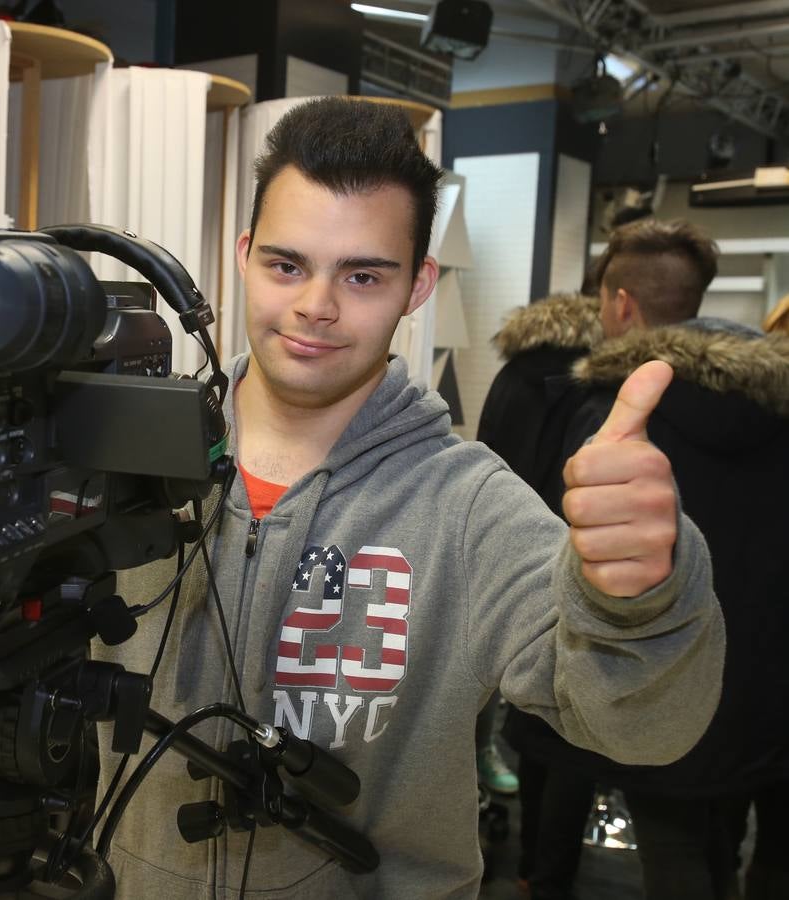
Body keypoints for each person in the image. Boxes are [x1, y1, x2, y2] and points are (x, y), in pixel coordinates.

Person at [89, 98, 725, 899]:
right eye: (288, 265)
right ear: (244, 255)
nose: (317, 305)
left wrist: (642, 596)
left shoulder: (468, 509)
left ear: (418, 285)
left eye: (362, 275)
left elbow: (644, 728)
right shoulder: (124, 465)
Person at [548, 219, 789, 900]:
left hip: (667, 684)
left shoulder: (610, 421)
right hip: (770, 693)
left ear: (622, 304)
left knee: (677, 863)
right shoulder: (778, 405)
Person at [476, 290, 605, 900]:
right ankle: (547, 875)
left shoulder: (510, 375)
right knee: (566, 727)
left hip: (492, 552)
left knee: (507, 710)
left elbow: (487, 456)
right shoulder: (588, 385)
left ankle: (528, 864)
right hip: (556, 556)